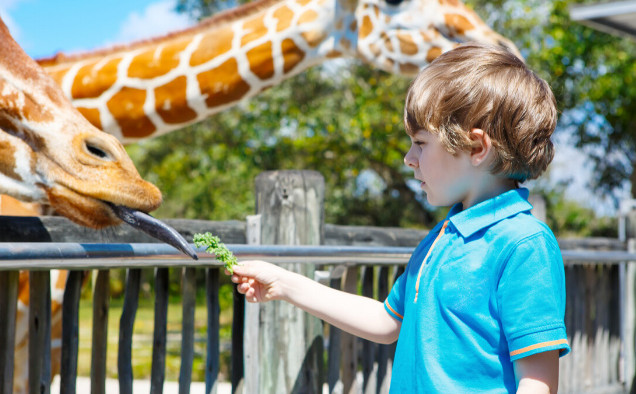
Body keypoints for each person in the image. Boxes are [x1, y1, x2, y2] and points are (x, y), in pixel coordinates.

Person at [230, 42, 570, 393]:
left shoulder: (525, 244)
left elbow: (537, 382)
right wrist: (283, 283)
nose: (409, 158)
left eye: (420, 143)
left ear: (477, 148)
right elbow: (385, 321)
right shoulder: (441, 238)